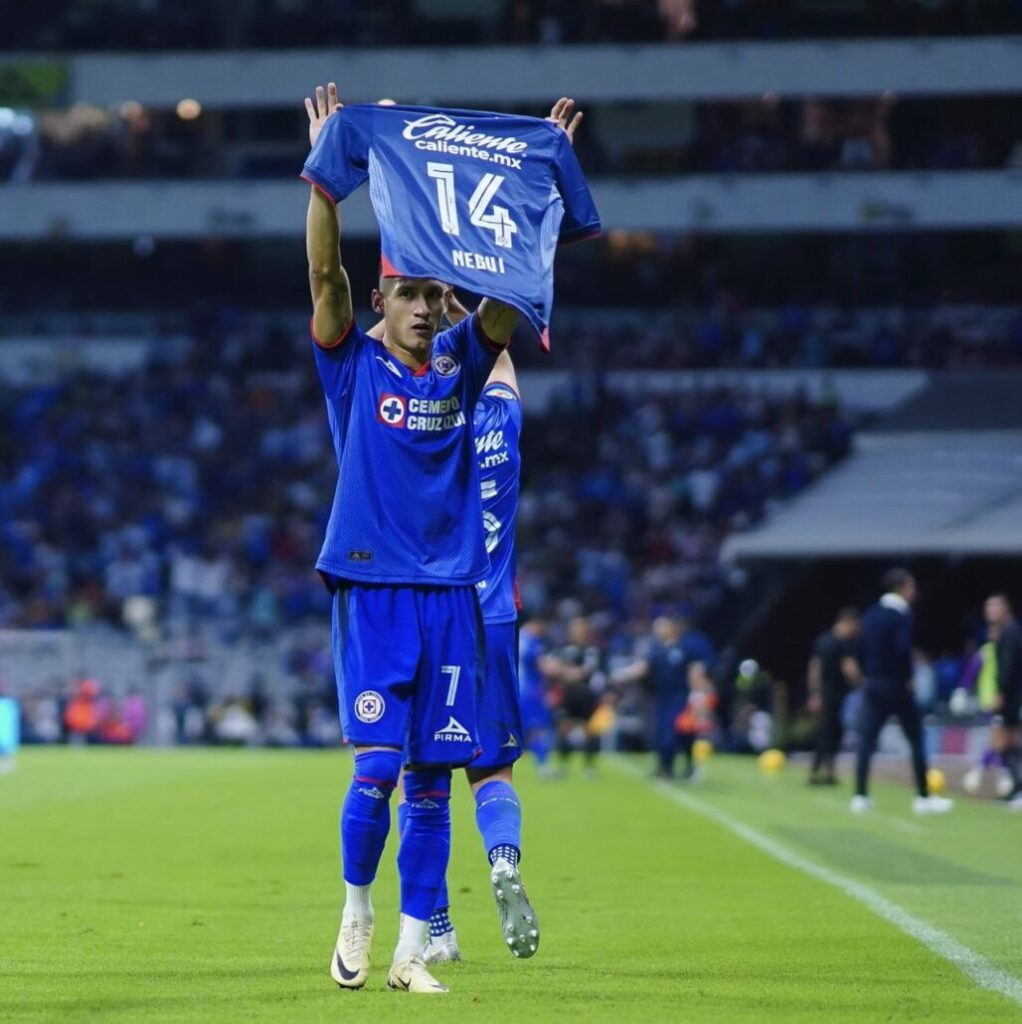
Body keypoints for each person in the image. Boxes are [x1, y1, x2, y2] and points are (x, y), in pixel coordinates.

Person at [304, 82, 518, 996]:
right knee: (379, 771)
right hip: (372, 585)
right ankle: (354, 911)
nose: (429, 308)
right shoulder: (350, 363)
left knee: (434, 779)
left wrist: (521, 192)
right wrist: (324, 185)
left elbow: (504, 308)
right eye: (412, 295)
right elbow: (324, 279)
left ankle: (406, 952)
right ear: (382, 299)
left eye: (437, 294)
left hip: (450, 594)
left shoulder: (462, 366)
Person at [852, 569, 953, 816]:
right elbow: (902, 649)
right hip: (896, 685)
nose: (914, 592)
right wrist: (908, 678)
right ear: (899, 588)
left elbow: (860, 649)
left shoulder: (870, 615)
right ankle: (922, 798)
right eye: (911, 586)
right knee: (916, 738)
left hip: (873, 684)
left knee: (866, 741)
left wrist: (869, 673)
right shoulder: (901, 615)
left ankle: (861, 796)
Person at [614, 615, 712, 779]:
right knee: (662, 733)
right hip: (662, 698)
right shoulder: (656, 650)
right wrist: (623, 674)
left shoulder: (685, 648)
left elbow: (694, 673)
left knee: (683, 733)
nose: (657, 631)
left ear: (671, 628)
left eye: (661, 627)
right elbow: (642, 668)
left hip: (681, 697)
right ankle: (665, 767)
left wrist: (697, 696)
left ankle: (689, 765)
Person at [545, 616, 609, 777]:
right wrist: (565, 672)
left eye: (581, 629)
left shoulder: (591, 650)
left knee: (590, 730)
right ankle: (563, 764)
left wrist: (567, 672)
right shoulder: (563, 648)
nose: (577, 632)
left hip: (586, 694)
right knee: (563, 728)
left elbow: (588, 671)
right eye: (575, 629)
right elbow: (551, 666)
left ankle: (589, 766)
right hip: (568, 694)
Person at [806, 608, 861, 786]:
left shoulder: (823, 640)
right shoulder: (842, 643)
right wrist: (862, 683)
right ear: (848, 621)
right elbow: (849, 668)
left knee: (823, 732)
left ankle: (816, 772)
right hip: (835, 694)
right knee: (833, 733)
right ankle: (827, 772)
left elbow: (814, 667)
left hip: (823, 693)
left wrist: (814, 693)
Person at [984, 594, 1022, 807]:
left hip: (1009, 696)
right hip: (1010, 695)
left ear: (1005, 609)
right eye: (988, 607)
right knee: (1007, 741)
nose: (989, 611)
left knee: (1003, 741)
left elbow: (1008, 668)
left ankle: (1018, 787)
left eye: (994, 606)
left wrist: (1000, 694)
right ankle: (1016, 787)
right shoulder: (1004, 633)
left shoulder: (1010, 632)